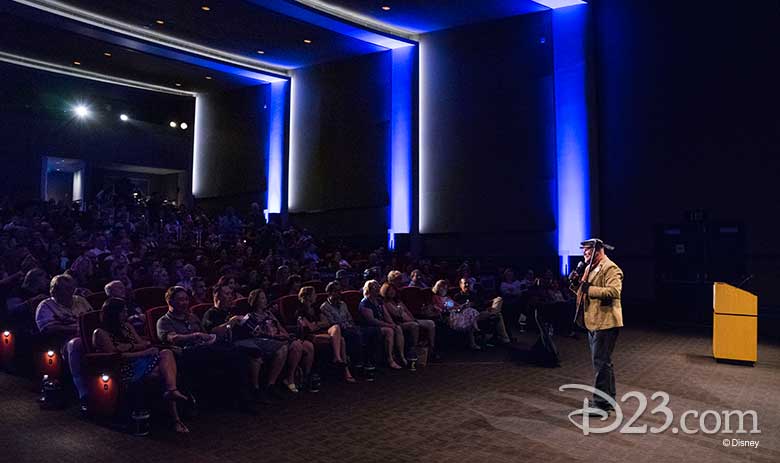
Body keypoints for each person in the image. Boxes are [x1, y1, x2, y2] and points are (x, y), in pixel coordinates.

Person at [92, 298, 190, 433]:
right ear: (114, 313)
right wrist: (141, 351)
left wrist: (129, 347)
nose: (126, 313)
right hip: (123, 368)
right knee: (164, 372)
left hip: (141, 360)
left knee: (166, 355)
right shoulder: (100, 333)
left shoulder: (126, 327)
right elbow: (115, 356)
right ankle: (176, 418)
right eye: (123, 311)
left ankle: (172, 394)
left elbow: (143, 343)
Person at [570, 238, 623, 414]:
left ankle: (601, 404)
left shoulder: (610, 267)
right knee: (604, 363)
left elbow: (614, 291)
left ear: (597, 251)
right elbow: (583, 291)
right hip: (593, 320)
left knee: (601, 363)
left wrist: (588, 289)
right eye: (584, 250)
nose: (584, 253)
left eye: (587, 250)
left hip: (605, 322)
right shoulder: (589, 268)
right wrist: (576, 284)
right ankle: (608, 401)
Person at [244, 288, 315, 393]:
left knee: (308, 345)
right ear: (255, 301)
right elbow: (258, 335)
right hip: (270, 341)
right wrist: (278, 337)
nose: (265, 300)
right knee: (297, 346)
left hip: (281, 338)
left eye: (265, 298)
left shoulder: (269, 314)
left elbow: (280, 327)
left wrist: (286, 336)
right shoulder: (250, 317)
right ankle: (288, 379)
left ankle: (305, 378)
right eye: (262, 298)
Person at [297, 286, 355, 383]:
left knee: (336, 327)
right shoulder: (300, 311)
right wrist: (318, 324)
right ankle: (345, 370)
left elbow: (327, 322)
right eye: (314, 294)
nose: (316, 296)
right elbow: (309, 328)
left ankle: (337, 358)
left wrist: (316, 324)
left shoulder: (315, 308)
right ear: (307, 296)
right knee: (341, 340)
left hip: (321, 332)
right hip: (310, 336)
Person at [380, 283, 437, 361]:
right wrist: (400, 311)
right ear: (385, 291)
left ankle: (431, 349)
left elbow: (407, 311)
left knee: (430, 323)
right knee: (414, 325)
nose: (392, 292)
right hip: (400, 323)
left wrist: (412, 318)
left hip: (411, 320)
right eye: (390, 290)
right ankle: (413, 349)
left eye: (393, 290)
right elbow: (397, 315)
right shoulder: (386, 303)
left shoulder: (398, 301)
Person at [358, 280, 404, 369]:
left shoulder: (379, 301)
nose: (378, 289)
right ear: (369, 289)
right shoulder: (365, 302)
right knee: (389, 330)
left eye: (378, 287)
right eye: (375, 287)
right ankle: (390, 359)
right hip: (368, 327)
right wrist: (389, 325)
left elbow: (386, 315)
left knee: (397, 328)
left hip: (381, 324)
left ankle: (401, 356)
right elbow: (372, 320)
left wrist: (392, 324)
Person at [452, 278, 511, 345]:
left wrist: (487, 307)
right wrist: (466, 305)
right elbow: (457, 309)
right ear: (460, 285)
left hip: (480, 312)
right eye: (465, 283)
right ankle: (505, 339)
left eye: (468, 283)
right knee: (498, 315)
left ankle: (493, 313)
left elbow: (481, 304)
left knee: (499, 299)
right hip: (470, 316)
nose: (467, 285)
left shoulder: (473, 294)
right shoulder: (457, 296)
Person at [430, 280, 482, 350]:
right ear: (437, 288)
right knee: (469, 320)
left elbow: (456, 306)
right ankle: (473, 337)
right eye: (441, 287)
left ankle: (474, 329)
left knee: (469, 310)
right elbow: (437, 307)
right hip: (448, 315)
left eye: (445, 287)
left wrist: (464, 305)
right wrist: (445, 309)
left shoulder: (448, 297)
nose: (443, 289)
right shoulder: (435, 297)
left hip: (456, 312)